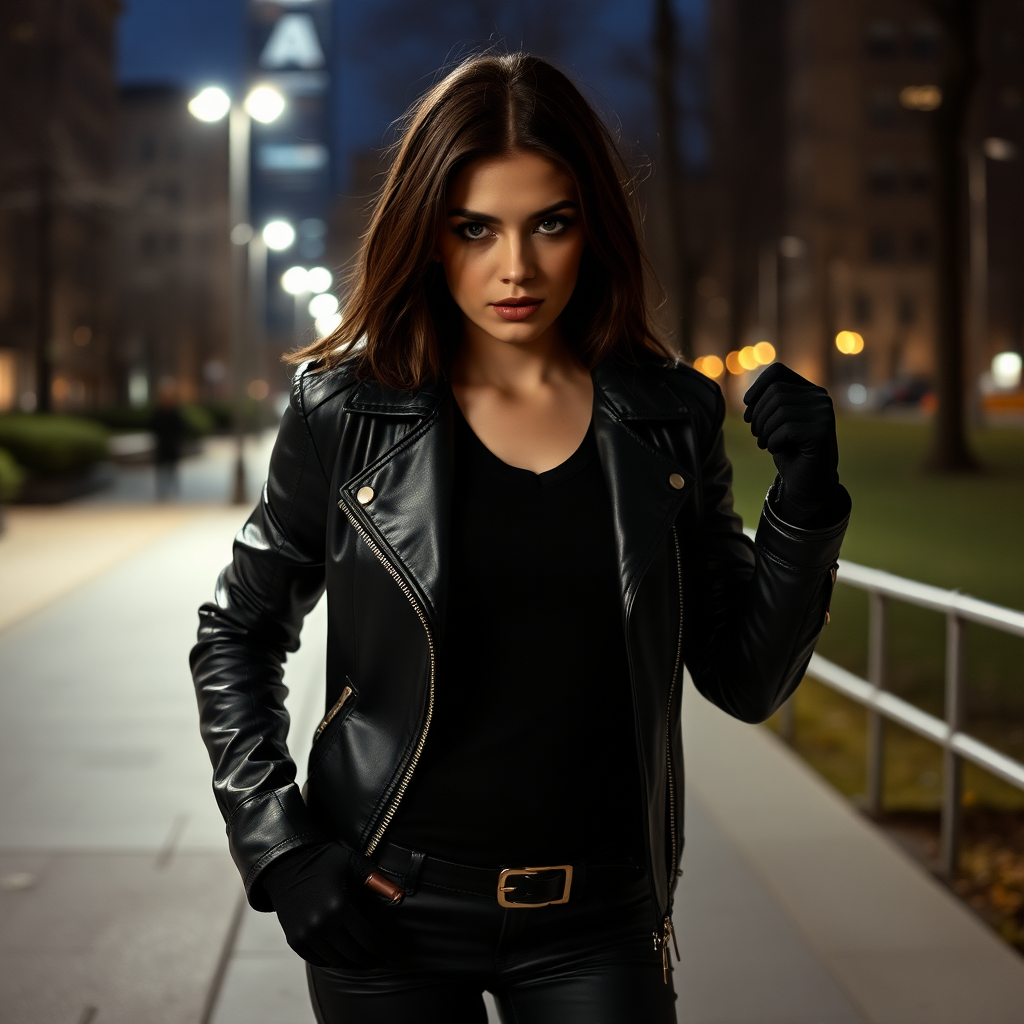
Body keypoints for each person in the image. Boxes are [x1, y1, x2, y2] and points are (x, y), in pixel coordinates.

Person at [190, 53, 850, 1024]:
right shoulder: (349, 411)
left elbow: (744, 676)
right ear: (428, 234)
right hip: (387, 907)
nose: (516, 267)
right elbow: (235, 632)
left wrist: (805, 500)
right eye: (474, 229)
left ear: (593, 229)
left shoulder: (665, 418)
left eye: (550, 222)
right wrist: (280, 846)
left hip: (600, 917)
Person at [151, 378, 187, 501]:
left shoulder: (175, 413)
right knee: (161, 470)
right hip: (162, 445)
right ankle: (162, 491)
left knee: (172, 469)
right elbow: (153, 427)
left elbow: (180, 427)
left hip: (172, 445)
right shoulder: (158, 412)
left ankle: (173, 489)